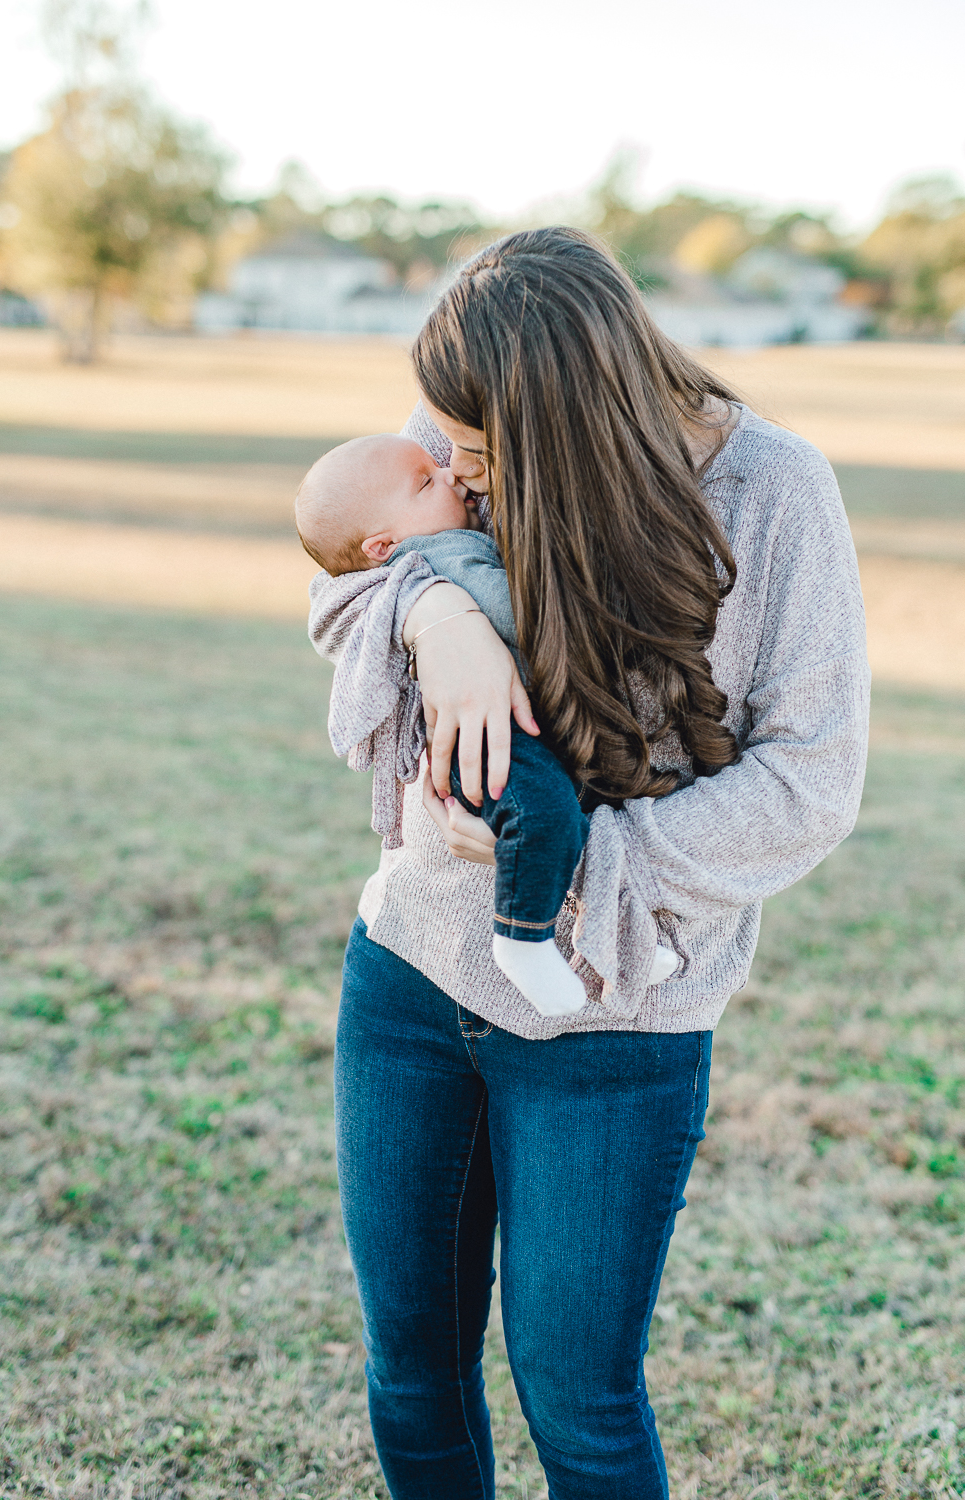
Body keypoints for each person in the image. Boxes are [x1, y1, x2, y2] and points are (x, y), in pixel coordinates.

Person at [309, 227, 870, 1499]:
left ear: (568, 420)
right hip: (407, 977)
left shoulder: (772, 492)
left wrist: (571, 867)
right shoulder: (467, 415)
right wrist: (442, 614)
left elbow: (810, 784)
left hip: (618, 1017)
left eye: (476, 456)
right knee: (413, 1369)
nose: (450, 468)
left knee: (581, 1402)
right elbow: (346, 568)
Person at [294, 431, 679, 1015]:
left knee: (583, 822)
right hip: (495, 743)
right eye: (427, 481)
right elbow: (515, 614)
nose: (452, 472)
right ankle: (521, 941)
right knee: (546, 821)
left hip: (519, 734)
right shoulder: (445, 554)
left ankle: (617, 942)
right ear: (381, 546)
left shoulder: (429, 539)